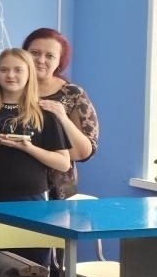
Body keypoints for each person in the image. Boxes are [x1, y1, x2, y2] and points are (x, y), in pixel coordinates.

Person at [0, 49, 71, 267]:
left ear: (29, 74)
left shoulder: (44, 113)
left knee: (34, 272)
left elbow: (63, 162)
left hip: (32, 202)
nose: (10, 75)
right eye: (4, 70)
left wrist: (28, 147)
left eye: (18, 70)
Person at [22, 28, 100, 199]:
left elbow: (84, 153)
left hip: (57, 192)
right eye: (35, 53)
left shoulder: (73, 94)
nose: (41, 60)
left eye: (50, 56)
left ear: (60, 62)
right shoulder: (7, 86)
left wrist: (63, 119)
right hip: (7, 187)